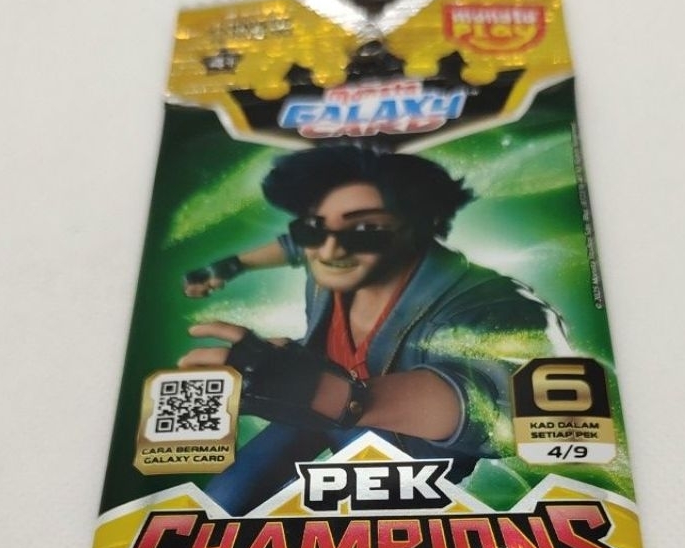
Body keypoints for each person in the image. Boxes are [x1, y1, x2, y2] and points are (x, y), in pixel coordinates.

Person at [180, 142, 566, 515]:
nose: (330, 251)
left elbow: (506, 407)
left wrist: (330, 393)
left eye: (364, 230)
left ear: (419, 225)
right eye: (314, 229)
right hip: (315, 403)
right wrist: (230, 266)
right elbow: (294, 245)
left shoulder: (490, 301)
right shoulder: (334, 262)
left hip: (409, 449)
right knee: (222, 504)